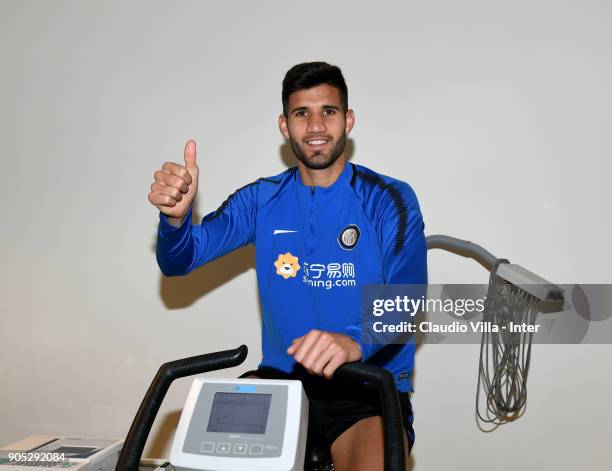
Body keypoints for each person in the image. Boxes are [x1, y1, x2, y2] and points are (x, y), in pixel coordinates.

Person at [148, 61, 427, 471]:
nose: (316, 125)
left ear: (348, 119)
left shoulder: (388, 198)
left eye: (328, 111)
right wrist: (175, 221)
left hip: (365, 391)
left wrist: (353, 342)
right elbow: (180, 261)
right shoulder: (261, 200)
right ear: (285, 126)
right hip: (281, 384)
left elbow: (407, 295)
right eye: (302, 114)